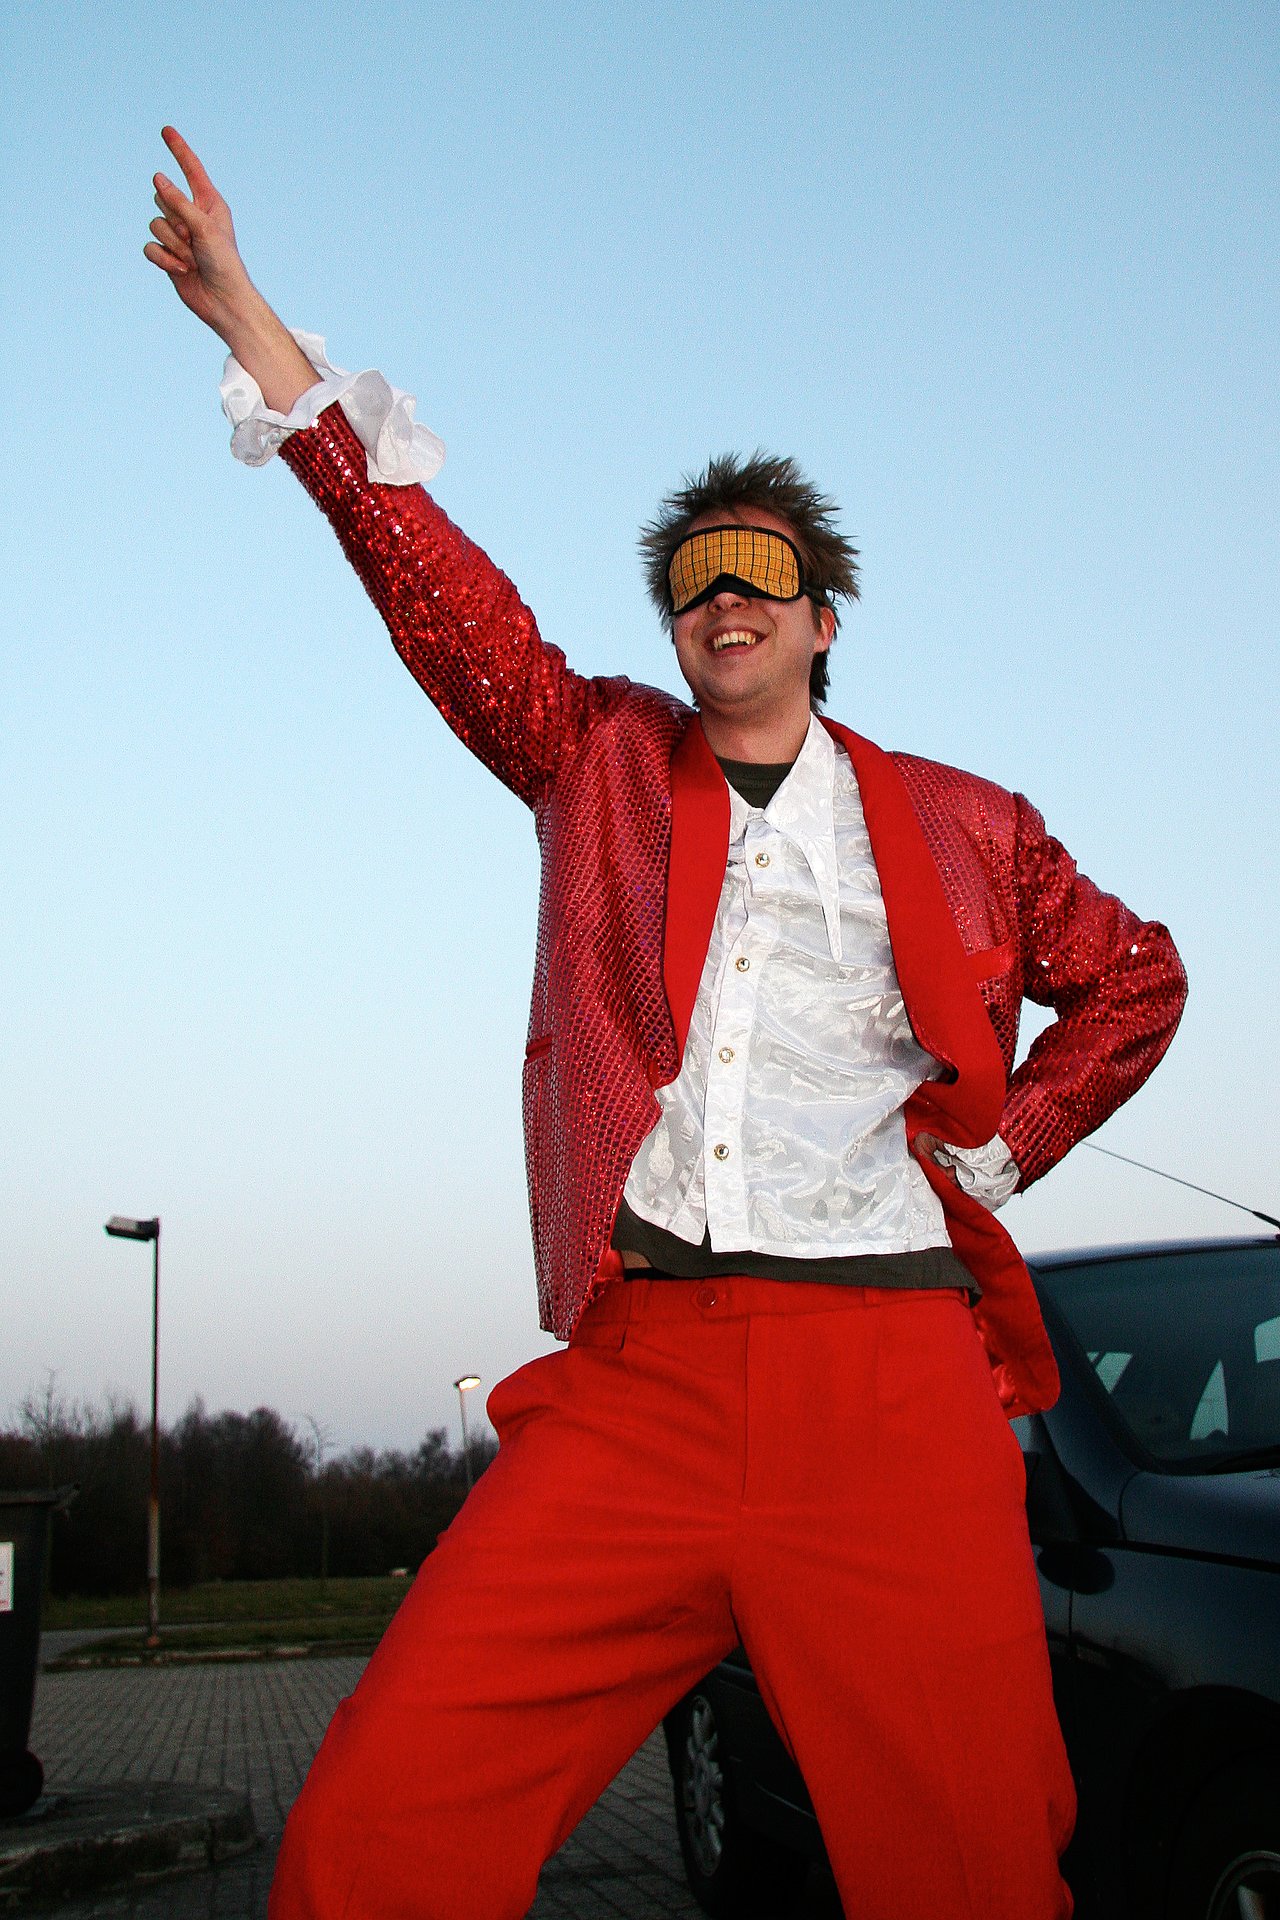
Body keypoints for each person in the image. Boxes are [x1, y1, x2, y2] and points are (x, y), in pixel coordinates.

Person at [145, 128, 1186, 1920]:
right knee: (374, 1835)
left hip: (893, 1390)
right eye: (695, 574)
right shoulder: (596, 758)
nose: (723, 595)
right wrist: (254, 320)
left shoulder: (965, 821)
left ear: (822, 618)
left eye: (758, 573)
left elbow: (1138, 975)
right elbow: (426, 573)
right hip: (648, 1386)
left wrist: (1011, 1138)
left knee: (977, 1874)